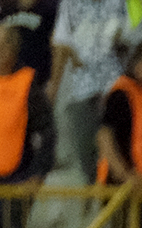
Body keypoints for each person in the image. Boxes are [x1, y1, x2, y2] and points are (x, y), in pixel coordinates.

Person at [0, 19, 53, 228]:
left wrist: (38, 173)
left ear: (13, 49)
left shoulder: (28, 84)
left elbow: (46, 133)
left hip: (16, 183)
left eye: (4, 45)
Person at [49, 0, 129, 183]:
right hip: (82, 88)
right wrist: (54, 84)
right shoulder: (70, 3)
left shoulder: (119, 2)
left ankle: (115, 195)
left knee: (117, 148)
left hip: (114, 86)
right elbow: (62, 42)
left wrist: (119, 37)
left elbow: (131, 36)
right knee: (85, 152)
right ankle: (93, 196)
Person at [95, 37, 142, 185]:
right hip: (123, 185)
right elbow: (104, 136)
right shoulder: (122, 95)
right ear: (139, 63)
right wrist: (124, 175)